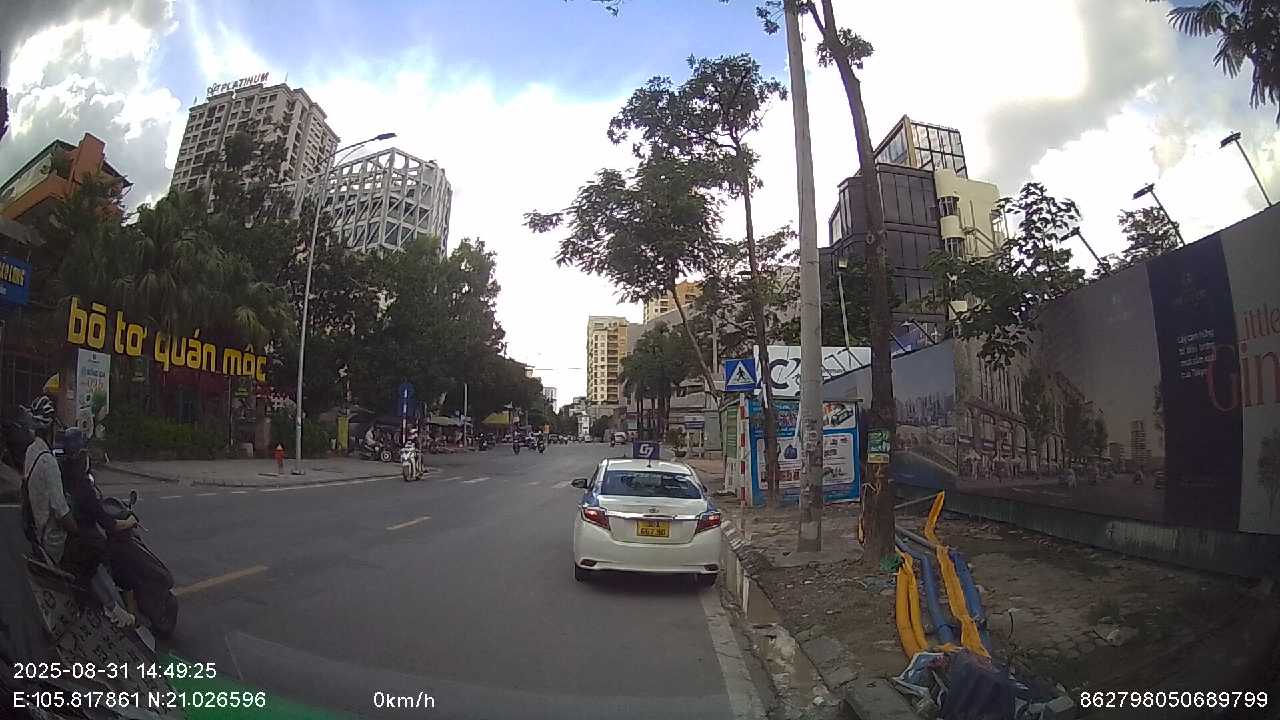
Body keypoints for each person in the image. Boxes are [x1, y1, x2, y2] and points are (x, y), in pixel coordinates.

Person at [20, 397, 135, 628]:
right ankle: (107, 608)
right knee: (96, 547)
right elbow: (63, 514)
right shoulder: (50, 464)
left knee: (89, 543)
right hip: (54, 540)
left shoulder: (32, 452)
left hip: (38, 530)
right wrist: (78, 531)